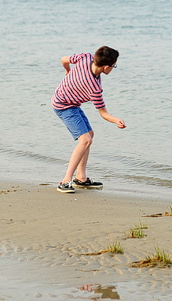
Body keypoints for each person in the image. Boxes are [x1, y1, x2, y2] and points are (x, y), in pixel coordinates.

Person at [51, 46, 125, 193]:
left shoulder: (86, 57)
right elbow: (103, 113)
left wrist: (67, 71)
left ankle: (81, 178)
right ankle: (65, 181)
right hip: (63, 105)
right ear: (105, 67)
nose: (112, 68)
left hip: (68, 101)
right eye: (113, 66)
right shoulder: (94, 87)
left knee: (89, 135)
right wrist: (116, 120)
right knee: (85, 140)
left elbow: (63, 60)